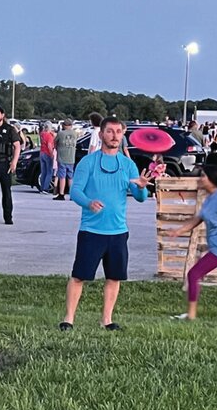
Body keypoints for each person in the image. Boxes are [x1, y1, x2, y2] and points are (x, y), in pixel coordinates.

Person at [60, 117, 151, 331]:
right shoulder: (89, 162)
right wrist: (88, 202)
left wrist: (142, 187)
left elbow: (140, 197)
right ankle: (69, 319)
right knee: (79, 276)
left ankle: (106, 320)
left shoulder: (128, 165)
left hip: (118, 231)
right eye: (110, 131)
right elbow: (75, 191)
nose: (115, 136)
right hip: (91, 231)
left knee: (114, 276)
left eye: (119, 132)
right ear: (101, 135)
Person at [166, 165, 217, 323]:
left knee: (193, 274)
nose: (200, 179)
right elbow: (198, 219)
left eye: (203, 176)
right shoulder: (210, 198)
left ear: (211, 179)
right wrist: (178, 231)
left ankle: (192, 314)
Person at [53, 119, 78, 201]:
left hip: (62, 157)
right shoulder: (75, 134)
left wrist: (57, 149)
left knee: (62, 176)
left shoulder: (61, 133)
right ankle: (72, 195)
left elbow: (55, 142)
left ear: (64, 125)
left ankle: (61, 194)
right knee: (70, 177)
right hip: (71, 158)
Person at [38, 122, 56, 194]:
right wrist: (51, 154)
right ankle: (45, 188)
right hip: (47, 154)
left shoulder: (42, 134)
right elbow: (49, 145)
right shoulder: (49, 136)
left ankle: (41, 188)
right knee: (49, 172)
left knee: (43, 172)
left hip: (41, 153)